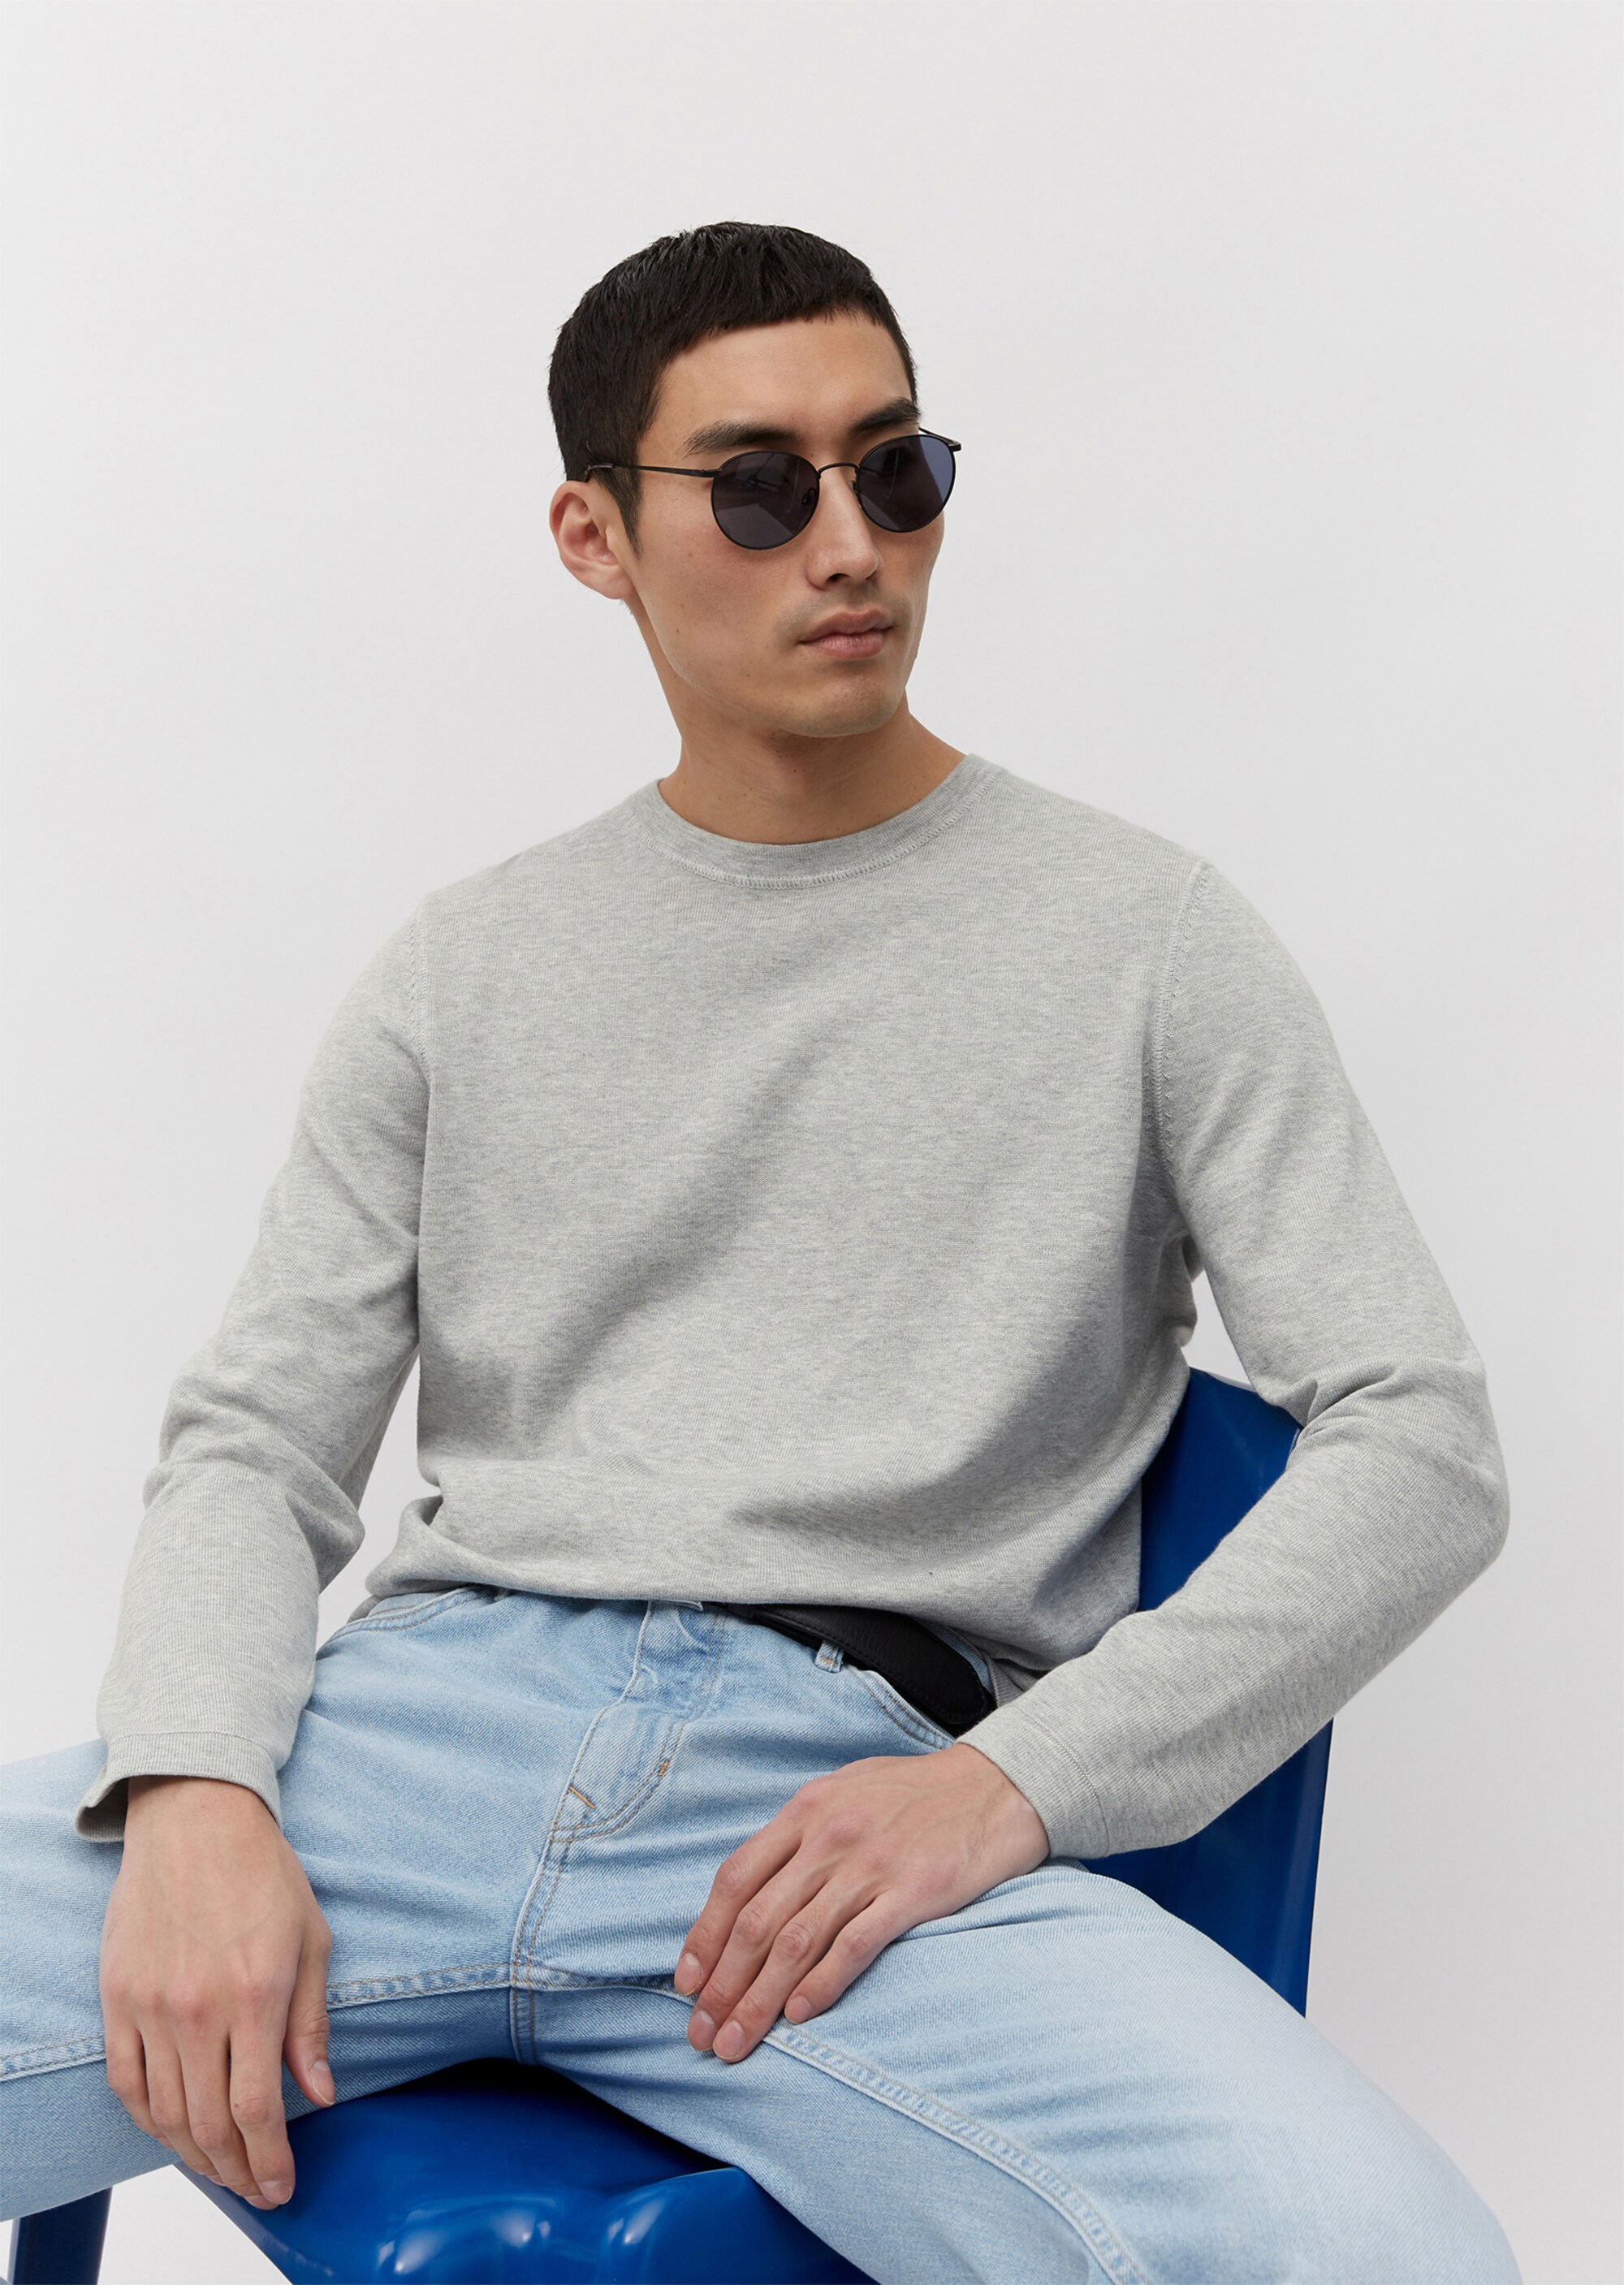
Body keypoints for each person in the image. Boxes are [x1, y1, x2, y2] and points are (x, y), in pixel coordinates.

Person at [1, 220, 1521, 2283]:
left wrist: (1015, 1786)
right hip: (408, 1756)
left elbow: (1417, 1443)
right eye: (756, 489)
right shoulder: (466, 965)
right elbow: (257, 1444)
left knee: (1379, 2251)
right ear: (594, 536)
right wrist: (191, 1788)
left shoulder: (1148, 938)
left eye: (895, 470)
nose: (850, 545)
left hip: (848, 1817)